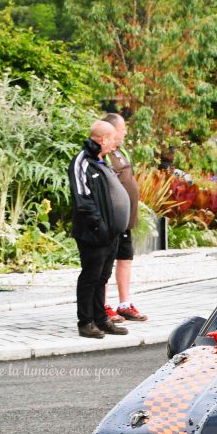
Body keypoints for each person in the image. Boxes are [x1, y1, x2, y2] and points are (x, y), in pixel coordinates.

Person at [69, 120, 131, 339]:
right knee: (90, 277)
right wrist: (100, 226)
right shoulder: (82, 162)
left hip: (111, 233)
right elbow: (83, 200)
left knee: (102, 277)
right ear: (103, 139)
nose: (115, 143)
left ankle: (100, 318)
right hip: (93, 233)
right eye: (113, 138)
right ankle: (85, 322)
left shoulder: (101, 160)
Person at [100, 113, 147, 323]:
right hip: (112, 219)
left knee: (125, 258)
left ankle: (124, 304)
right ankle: (103, 305)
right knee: (105, 263)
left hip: (126, 219)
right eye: (122, 129)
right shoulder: (104, 156)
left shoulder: (119, 152)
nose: (125, 132)